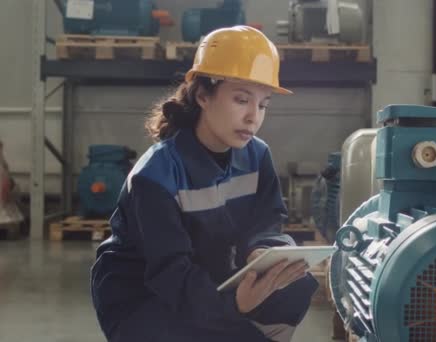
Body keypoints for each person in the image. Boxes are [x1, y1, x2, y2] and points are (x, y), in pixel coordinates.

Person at [90, 26, 319, 342]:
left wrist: (262, 251)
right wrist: (235, 304)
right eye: (241, 99)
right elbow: (170, 273)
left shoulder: (257, 156)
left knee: (297, 286)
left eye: (263, 104)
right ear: (203, 96)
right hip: (144, 300)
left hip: (209, 281)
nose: (254, 117)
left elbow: (267, 222)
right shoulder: (155, 175)